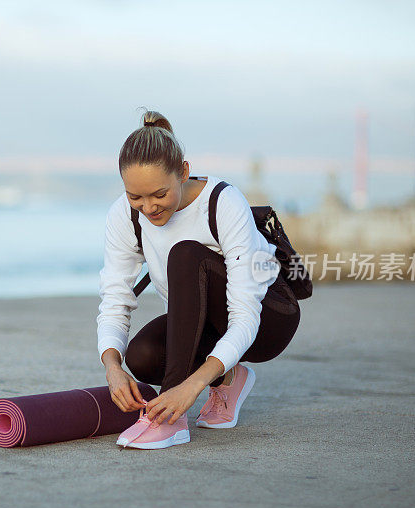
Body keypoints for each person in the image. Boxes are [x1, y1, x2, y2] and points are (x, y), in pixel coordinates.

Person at [96, 110, 301, 449]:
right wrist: (112, 368)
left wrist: (186, 389)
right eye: (136, 197)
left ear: (184, 172)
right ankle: (228, 377)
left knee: (186, 254)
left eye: (159, 194)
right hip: (204, 322)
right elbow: (115, 296)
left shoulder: (223, 202)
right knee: (143, 355)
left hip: (268, 319)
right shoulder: (123, 214)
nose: (148, 208)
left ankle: (170, 422)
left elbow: (245, 315)